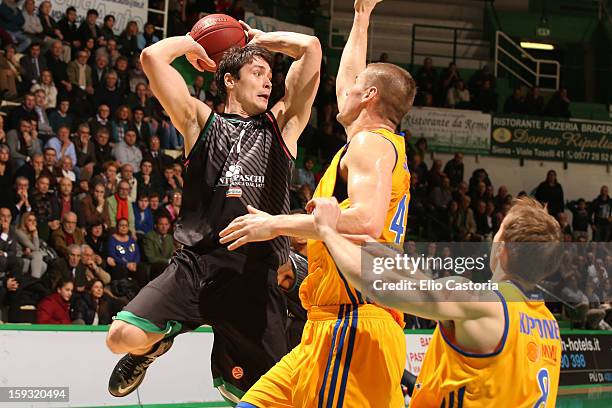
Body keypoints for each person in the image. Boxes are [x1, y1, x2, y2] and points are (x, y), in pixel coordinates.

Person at [104, 20, 321, 402]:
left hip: (253, 279)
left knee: (254, 397)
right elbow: (152, 58)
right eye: (257, 72)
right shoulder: (202, 122)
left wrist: (259, 41)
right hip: (196, 265)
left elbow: (312, 48)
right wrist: (191, 44)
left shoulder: (282, 125)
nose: (268, 82)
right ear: (229, 81)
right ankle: (153, 348)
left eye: (270, 75)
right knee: (120, 338)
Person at [223, 0, 415, 405]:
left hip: (353, 325)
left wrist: (274, 225)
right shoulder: (372, 144)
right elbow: (350, 80)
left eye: (354, 89)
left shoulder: (369, 146)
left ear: (369, 96)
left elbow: (364, 220)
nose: (341, 93)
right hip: (326, 326)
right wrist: (361, 18)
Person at [308, 196, 563, 407]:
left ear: (502, 249)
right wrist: (391, 258)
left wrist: (328, 231)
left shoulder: (481, 304)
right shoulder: (549, 325)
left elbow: (380, 287)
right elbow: (433, 290)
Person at [16, 211, 47, 278]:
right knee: (37, 255)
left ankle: (30, 284)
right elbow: (36, 249)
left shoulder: (31, 233)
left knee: (44, 265)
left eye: (34, 220)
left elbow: (35, 248)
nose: (33, 222)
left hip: (28, 256)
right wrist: (35, 233)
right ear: (24, 222)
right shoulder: (19, 232)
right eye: (30, 220)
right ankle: (34, 281)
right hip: (19, 258)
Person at [142, 215, 174, 280]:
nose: (164, 227)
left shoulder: (170, 238)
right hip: (153, 267)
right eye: (161, 224)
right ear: (155, 226)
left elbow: (171, 255)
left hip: (166, 266)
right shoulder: (149, 236)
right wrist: (167, 261)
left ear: (169, 226)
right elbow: (150, 258)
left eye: (166, 224)